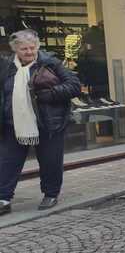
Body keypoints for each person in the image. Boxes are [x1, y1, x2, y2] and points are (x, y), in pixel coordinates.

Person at [0, 30, 81, 215]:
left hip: (48, 122)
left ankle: (50, 193)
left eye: (32, 48)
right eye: (24, 49)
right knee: (7, 162)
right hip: (14, 123)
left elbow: (74, 85)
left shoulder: (50, 63)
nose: (29, 52)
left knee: (50, 161)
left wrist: (50, 94)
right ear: (15, 49)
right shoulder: (6, 66)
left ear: (37, 47)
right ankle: (3, 198)